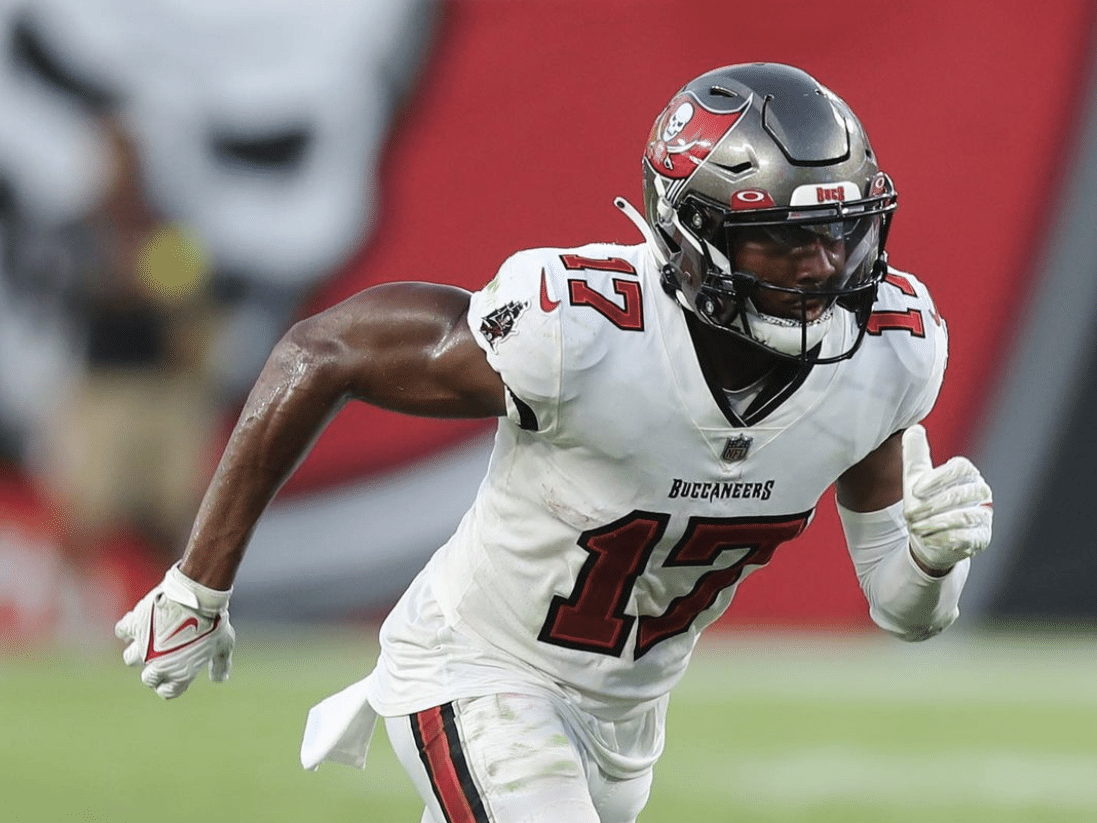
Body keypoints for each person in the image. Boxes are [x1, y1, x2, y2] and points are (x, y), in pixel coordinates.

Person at [114, 63, 993, 823]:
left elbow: (902, 612)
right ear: (689, 238)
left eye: (840, 232)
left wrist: (927, 561)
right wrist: (197, 586)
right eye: (784, 238)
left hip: (623, 719)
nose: (822, 269)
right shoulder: (581, 330)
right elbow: (324, 350)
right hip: (475, 663)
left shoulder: (889, 348)